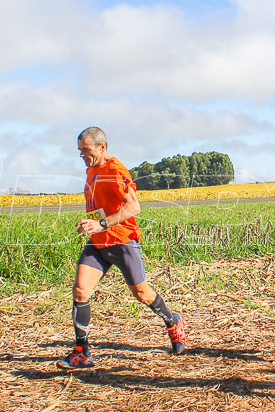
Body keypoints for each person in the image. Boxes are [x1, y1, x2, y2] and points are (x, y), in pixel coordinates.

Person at [56, 127, 186, 369]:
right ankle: (82, 352)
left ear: (101, 147)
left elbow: (134, 208)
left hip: (122, 241)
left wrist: (101, 223)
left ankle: (172, 321)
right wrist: (91, 224)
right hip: (98, 243)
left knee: (142, 294)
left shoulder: (115, 171)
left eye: (86, 150)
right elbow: (103, 207)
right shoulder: (92, 170)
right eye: (80, 151)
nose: (81, 155)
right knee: (80, 291)